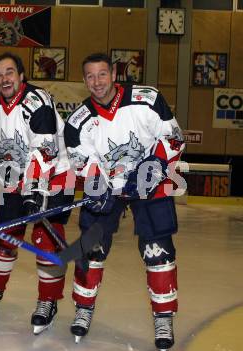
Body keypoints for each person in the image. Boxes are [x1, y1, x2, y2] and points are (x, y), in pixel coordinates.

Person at [64, 53, 185, 349]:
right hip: (108, 187)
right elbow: (82, 160)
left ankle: (163, 316)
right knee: (91, 250)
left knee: (158, 251)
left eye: (102, 74)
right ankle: (83, 308)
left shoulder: (147, 99)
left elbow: (173, 137)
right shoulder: (78, 121)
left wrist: (151, 169)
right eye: (90, 76)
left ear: (114, 74)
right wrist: (98, 185)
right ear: (84, 80)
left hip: (149, 184)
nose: (97, 82)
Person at [0, 52, 74, 335]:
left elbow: (43, 152)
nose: (4, 79)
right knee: (5, 236)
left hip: (55, 173)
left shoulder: (37, 102)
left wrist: (33, 194)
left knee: (45, 237)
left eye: (9, 72)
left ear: (21, 75)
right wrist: (0, 169)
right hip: (16, 174)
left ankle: (48, 301)